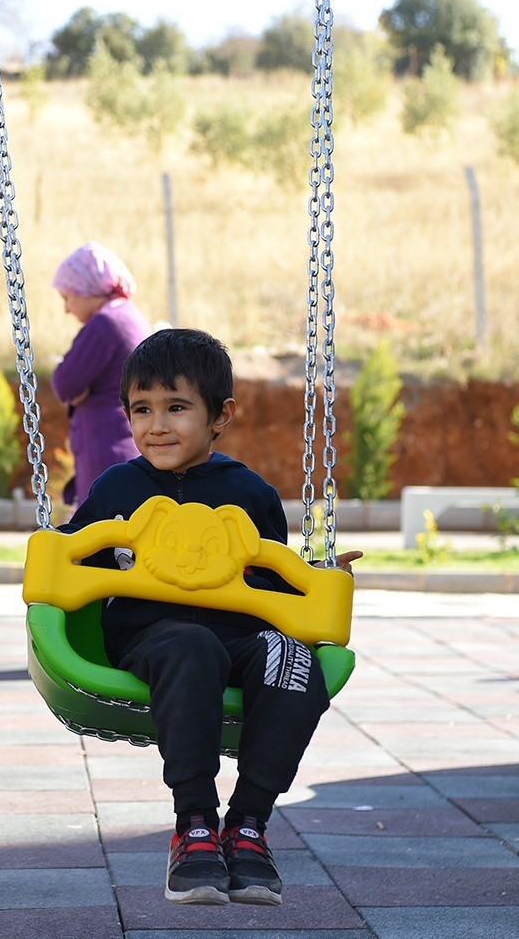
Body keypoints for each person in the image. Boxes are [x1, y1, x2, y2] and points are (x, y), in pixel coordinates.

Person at [63, 328, 361, 908]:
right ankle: (194, 824)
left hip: (240, 638)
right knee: (191, 645)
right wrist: (51, 553)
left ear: (219, 415)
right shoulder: (117, 486)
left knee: (293, 660)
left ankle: (247, 826)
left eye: (177, 408)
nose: (157, 425)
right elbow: (74, 558)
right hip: (154, 638)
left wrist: (324, 578)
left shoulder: (248, 492)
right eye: (141, 409)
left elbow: (278, 584)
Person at [50, 241, 151, 508]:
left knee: (102, 538)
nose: (67, 308)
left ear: (86, 290)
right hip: (126, 444)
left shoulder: (104, 324)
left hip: (106, 450)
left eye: (67, 297)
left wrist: (79, 391)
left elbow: (65, 383)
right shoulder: (129, 315)